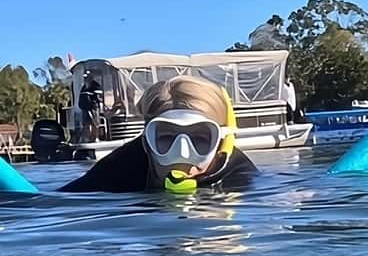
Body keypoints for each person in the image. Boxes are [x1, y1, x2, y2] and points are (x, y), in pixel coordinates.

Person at [59, 75, 257, 194]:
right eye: (166, 137)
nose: (182, 153)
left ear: (222, 144)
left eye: (201, 139)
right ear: (146, 142)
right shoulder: (123, 167)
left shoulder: (239, 175)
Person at [78, 76, 103, 142]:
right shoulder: (84, 87)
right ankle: (87, 137)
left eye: (87, 78)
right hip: (85, 108)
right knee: (86, 124)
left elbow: (99, 98)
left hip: (94, 108)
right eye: (85, 78)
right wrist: (81, 105)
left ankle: (95, 137)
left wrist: (94, 104)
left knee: (95, 123)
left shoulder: (96, 86)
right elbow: (81, 97)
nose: (86, 79)